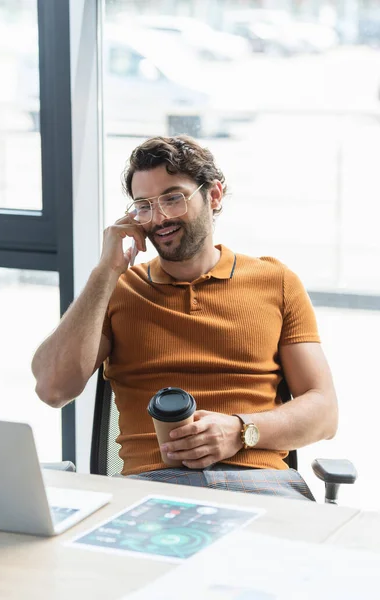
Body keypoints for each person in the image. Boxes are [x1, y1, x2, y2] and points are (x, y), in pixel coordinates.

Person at [31, 135, 338, 501]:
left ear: (214, 196)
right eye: (144, 205)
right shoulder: (118, 289)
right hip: (152, 490)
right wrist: (104, 271)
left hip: (260, 487)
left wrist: (240, 431)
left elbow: (324, 412)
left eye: (173, 198)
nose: (159, 218)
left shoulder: (276, 281)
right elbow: (52, 389)